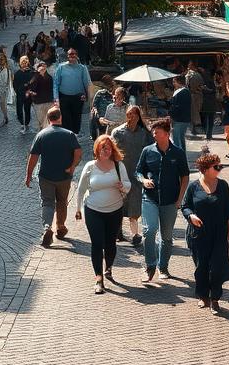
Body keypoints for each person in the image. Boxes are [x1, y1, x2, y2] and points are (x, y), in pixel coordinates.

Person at [135, 117, 190, 282]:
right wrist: (143, 180)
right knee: (149, 231)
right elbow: (138, 172)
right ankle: (150, 266)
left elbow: (185, 177)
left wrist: (179, 200)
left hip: (170, 202)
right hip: (149, 199)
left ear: (166, 134)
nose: (153, 134)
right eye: (153, 131)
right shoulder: (147, 151)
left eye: (157, 132)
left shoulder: (178, 153)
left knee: (166, 237)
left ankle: (163, 266)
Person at [75, 134, 130, 293]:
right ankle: (99, 278)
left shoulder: (119, 166)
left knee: (110, 244)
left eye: (108, 148)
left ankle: (109, 267)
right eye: (102, 148)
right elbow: (80, 189)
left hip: (115, 210)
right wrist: (78, 209)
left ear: (112, 150)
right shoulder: (90, 166)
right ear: (97, 149)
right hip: (93, 210)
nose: (105, 151)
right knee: (97, 244)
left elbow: (128, 185)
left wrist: (122, 186)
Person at [181, 151, 229, 313]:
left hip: (219, 233)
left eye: (220, 166)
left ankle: (215, 298)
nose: (219, 169)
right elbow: (185, 206)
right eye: (216, 166)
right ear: (205, 169)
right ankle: (203, 295)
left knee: (217, 267)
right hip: (198, 234)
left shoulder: (223, 186)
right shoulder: (193, 186)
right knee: (201, 266)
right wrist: (191, 216)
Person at [25, 106, 82, 247]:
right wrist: (73, 166)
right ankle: (60, 226)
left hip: (45, 176)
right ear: (60, 117)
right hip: (64, 175)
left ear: (48, 119)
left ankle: (47, 228)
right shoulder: (69, 135)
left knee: (47, 202)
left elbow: (33, 157)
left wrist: (28, 175)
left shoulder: (41, 135)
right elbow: (78, 152)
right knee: (62, 201)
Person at [111, 104, 150, 247]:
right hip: (121, 173)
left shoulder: (144, 134)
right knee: (119, 203)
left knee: (135, 204)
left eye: (134, 114)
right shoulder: (117, 132)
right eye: (129, 114)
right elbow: (111, 151)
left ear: (139, 116)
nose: (131, 116)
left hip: (137, 174)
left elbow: (151, 151)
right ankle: (118, 231)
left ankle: (135, 234)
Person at [52, 48, 91, 135]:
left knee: (77, 117)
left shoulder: (82, 68)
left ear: (76, 55)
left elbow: (87, 84)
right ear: (67, 56)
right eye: (70, 54)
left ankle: (75, 134)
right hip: (64, 97)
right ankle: (67, 135)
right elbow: (56, 84)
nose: (72, 56)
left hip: (78, 97)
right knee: (66, 118)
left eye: (73, 54)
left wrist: (88, 98)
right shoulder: (61, 67)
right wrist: (56, 98)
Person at [27, 60, 54, 130]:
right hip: (39, 102)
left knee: (48, 120)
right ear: (38, 68)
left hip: (48, 101)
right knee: (41, 120)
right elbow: (31, 87)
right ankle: (42, 133)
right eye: (41, 67)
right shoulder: (35, 77)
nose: (43, 68)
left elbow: (53, 89)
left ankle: (46, 133)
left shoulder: (49, 77)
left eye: (44, 67)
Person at [168, 75, 192, 152]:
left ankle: (178, 158)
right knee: (181, 139)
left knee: (176, 141)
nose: (173, 84)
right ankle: (182, 157)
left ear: (179, 82)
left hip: (178, 119)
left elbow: (176, 107)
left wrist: (171, 115)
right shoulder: (186, 91)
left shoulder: (180, 92)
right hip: (185, 119)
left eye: (174, 82)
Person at [13, 55, 35, 135]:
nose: (24, 63)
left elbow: (34, 84)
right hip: (19, 94)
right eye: (22, 62)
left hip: (28, 94)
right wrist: (18, 92)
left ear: (28, 63)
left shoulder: (31, 72)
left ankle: (26, 123)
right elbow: (14, 84)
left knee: (27, 109)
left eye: (25, 62)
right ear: (20, 63)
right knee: (19, 109)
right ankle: (22, 123)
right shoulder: (17, 73)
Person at [90, 75, 115, 141]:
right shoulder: (100, 93)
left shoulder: (115, 95)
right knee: (102, 138)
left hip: (111, 119)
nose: (110, 87)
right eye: (109, 85)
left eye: (112, 85)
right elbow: (94, 105)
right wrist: (96, 113)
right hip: (101, 119)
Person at [185, 61, 204, 134]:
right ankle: (194, 128)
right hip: (197, 95)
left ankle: (194, 128)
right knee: (196, 112)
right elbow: (201, 85)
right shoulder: (197, 75)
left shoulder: (189, 75)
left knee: (193, 112)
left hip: (192, 95)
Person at [199, 75, 219, 141]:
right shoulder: (213, 84)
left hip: (206, 105)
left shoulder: (205, 85)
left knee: (206, 121)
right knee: (210, 121)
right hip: (211, 105)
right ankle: (209, 135)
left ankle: (208, 135)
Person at [0, 52, 13, 126]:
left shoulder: (6, 70)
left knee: (3, 105)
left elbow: (6, 82)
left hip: (3, 90)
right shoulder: (0, 68)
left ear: (5, 60)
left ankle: (5, 118)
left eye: (1, 59)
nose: (0, 61)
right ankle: (5, 118)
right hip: (0, 89)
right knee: (2, 105)